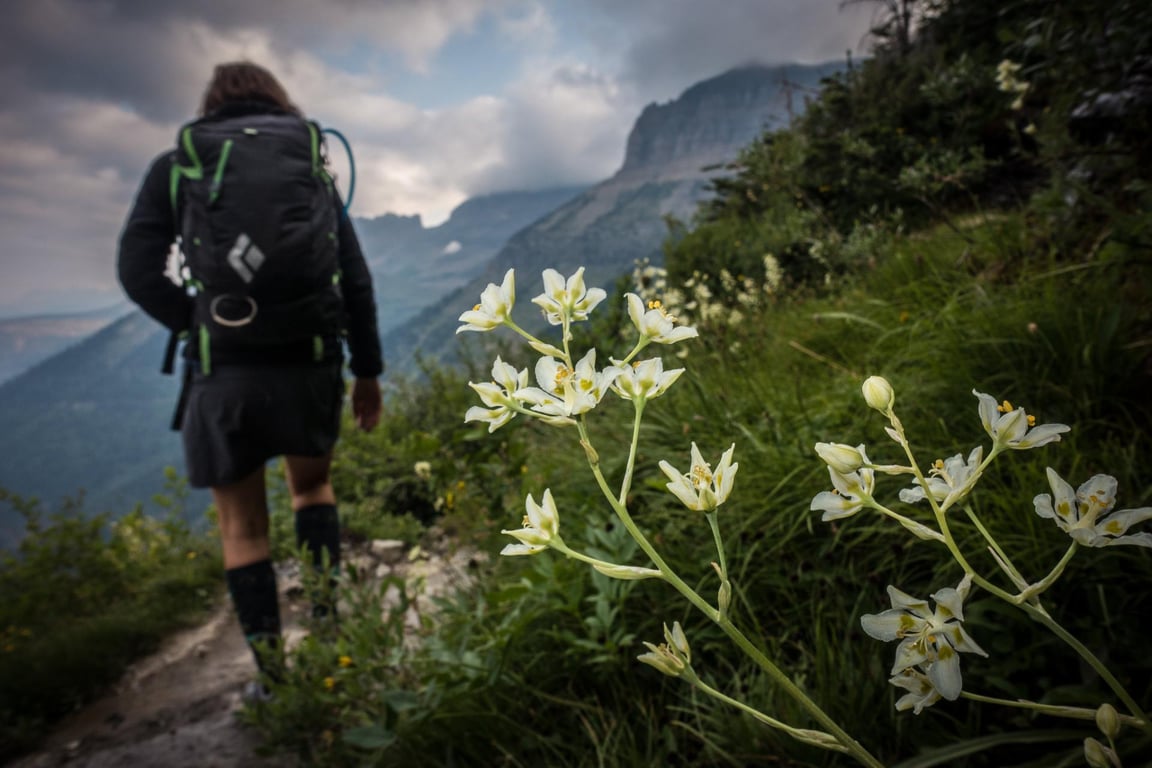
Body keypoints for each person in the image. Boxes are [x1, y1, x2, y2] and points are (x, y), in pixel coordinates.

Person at [117, 61, 383, 692]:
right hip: (308, 360)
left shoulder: (177, 165)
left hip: (224, 370)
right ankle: (331, 633)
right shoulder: (307, 162)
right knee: (312, 491)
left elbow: (136, 269)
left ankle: (273, 678)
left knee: (241, 527)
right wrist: (367, 373)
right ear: (277, 102)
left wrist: (199, 322)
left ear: (212, 107)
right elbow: (356, 278)